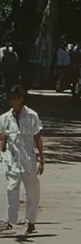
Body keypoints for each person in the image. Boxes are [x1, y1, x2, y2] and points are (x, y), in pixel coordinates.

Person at [0, 86, 44, 235]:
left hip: (29, 159)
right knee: (11, 189)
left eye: (14, 98)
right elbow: (2, 139)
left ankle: (31, 222)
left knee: (32, 192)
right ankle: (11, 221)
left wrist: (42, 159)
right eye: (10, 98)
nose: (11, 101)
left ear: (20, 99)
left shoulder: (32, 116)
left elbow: (38, 138)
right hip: (11, 160)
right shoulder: (4, 118)